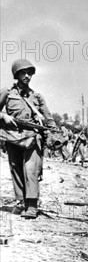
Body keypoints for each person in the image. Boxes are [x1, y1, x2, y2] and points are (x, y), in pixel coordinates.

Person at [0, 59, 56, 218]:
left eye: (29, 73)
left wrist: (53, 132)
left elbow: (49, 118)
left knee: (31, 170)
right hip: (13, 138)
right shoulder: (7, 93)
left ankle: (32, 205)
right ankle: (21, 202)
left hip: (33, 138)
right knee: (16, 170)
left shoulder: (37, 96)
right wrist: (3, 115)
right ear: (16, 75)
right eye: (23, 73)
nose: (27, 76)